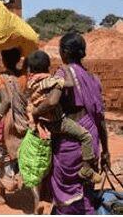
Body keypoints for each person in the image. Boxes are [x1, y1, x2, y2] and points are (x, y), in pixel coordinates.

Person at [33, 33, 110, 214]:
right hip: (91, 144)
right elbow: (101, 119)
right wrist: (106, 150)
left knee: (67, 200)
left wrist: (36, 111)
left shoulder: (63, 73)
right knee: (86, 192)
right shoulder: (94, 79)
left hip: (70, 145)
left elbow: (52, 102)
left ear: (65, 52)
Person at [25, 50, 101, 183]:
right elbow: (68, 86)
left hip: (43, 122)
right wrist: (65, 69)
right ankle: (86, 170)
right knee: (86, 136)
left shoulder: (31, 82)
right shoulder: (50, 81)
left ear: (30, 69)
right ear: (48, 66)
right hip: (58, 121)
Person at [0, 47, 29, 205]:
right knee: (20, 151)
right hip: (23, 120)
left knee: (2, 154)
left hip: (7, 121)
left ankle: (2, 192)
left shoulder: (1, 77)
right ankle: (21, 181)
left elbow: (5, 100)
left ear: (4, 60)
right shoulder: (24, 77)